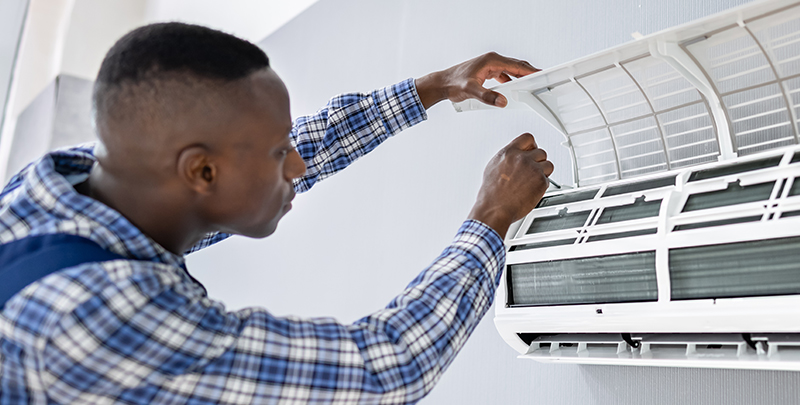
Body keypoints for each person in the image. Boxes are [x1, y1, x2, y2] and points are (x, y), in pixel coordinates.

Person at [0, 22, 553, 404]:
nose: (296, 164)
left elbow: (285, 148)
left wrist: (431, 89)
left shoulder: (69, 185)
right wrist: (492, 217)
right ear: (201, 173)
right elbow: (385, 368)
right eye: (277, 152)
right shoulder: (96, 314)